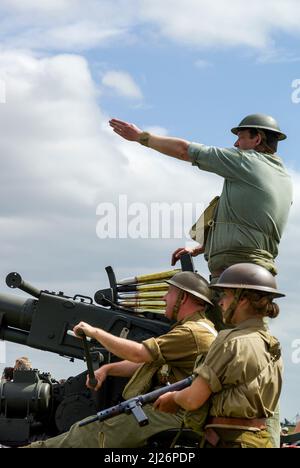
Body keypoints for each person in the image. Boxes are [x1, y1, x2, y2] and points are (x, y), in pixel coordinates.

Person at [25, 271, 217, 448]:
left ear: (183, 298)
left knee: (90, 432)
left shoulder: (192, 332)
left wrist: (95, 332)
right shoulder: (199, 327)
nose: (164, 297)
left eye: (169, 292)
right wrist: (107, 369)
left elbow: (139, 353)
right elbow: (146, 363)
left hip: (178, 413)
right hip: (179, 409)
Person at [109, 114, 293, 281]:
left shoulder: (246, 162)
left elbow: (184, 150)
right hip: (256, 273)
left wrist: (141, 137)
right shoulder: (283, 178)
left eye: (241, 137)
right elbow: (248, 223)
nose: (236, 144)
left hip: (236, 272)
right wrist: (199, 247)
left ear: (257, 139)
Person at [154, 263, 284, 449]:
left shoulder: (229, 340)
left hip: (230, 442)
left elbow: (193, 399)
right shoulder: (272, 345)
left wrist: (173, 398)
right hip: (261, 441)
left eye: (226, 295)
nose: (221, 302)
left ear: (243, 300)